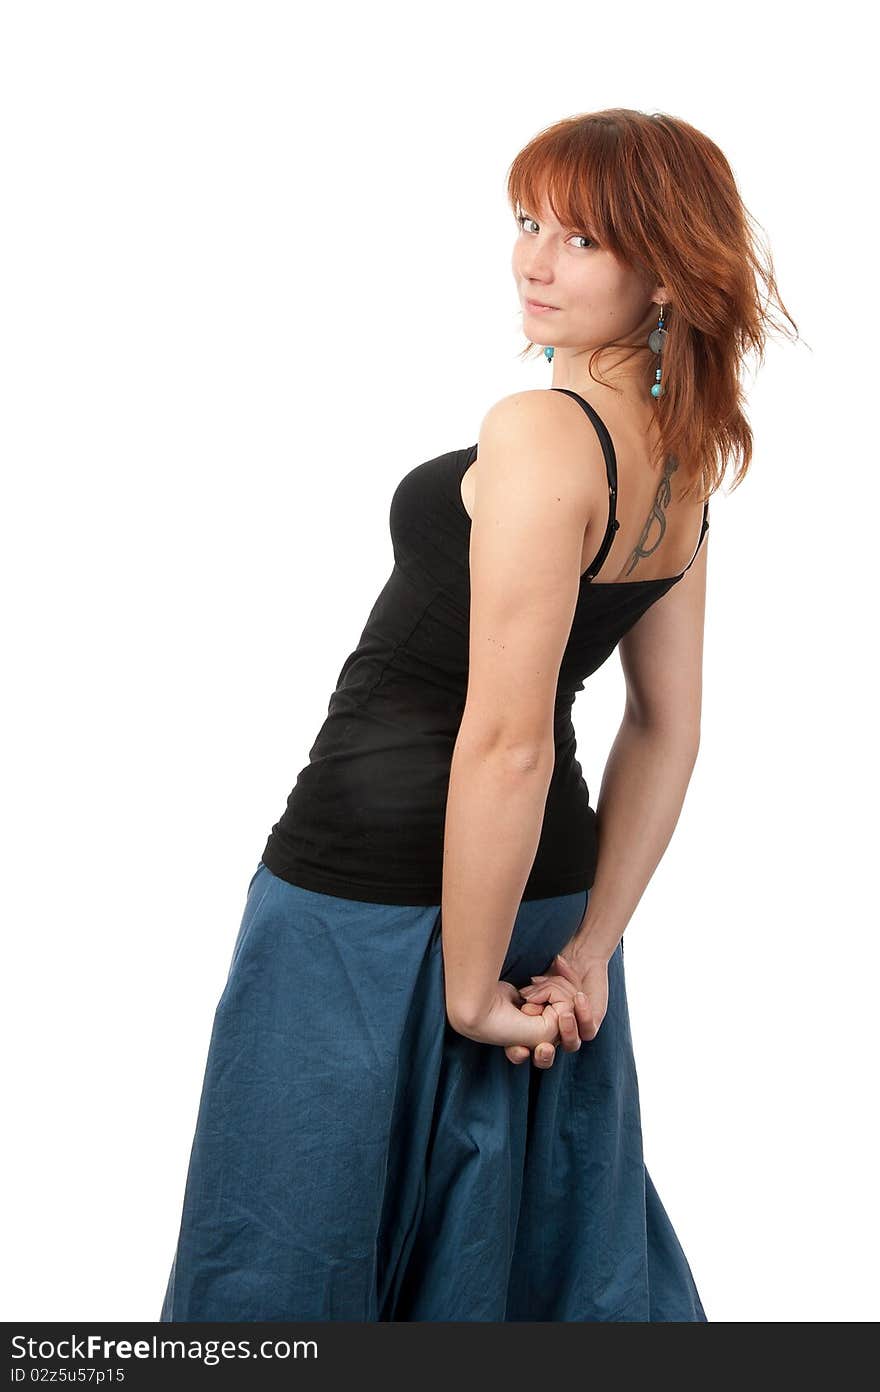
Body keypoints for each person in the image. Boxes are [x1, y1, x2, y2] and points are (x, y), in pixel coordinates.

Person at [160, 108, 797, 1322]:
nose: (534, 262)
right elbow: (667, 725)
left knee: (288, 1260)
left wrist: (464, 989)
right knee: (510, 1266)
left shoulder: (540, 430)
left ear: (665, 268)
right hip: (541, 890)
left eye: (582, 239)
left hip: (373, 895)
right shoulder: (680, 449)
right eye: (526, 223)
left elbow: (504, 739)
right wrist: (588, 950)